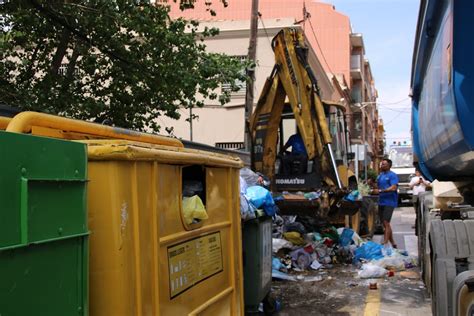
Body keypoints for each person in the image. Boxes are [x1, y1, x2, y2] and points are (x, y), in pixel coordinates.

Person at [374, 158, 399, 248]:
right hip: (381, 202)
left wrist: (381, 191)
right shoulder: (380, 175)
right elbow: (377, 185)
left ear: (389, 166)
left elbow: (393, 187)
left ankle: (385, 242)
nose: (382, 165)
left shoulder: (392, 175)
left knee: (386, 222)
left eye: (384, 164)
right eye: (381, 164)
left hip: (390, 202)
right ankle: (393, 243)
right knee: (385, 223)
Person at [409, 169, 431, 233]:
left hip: (423, 195)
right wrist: (417, 183)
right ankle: (417, 224)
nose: (418, 173)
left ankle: (421, 222)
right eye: (417, 172)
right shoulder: (413, 179)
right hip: (415, 195)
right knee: (416, 210)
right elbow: (410, 186)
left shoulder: (424, 178)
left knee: (422, 210)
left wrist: (423, 182)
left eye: (419, 172)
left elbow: (429, 185)